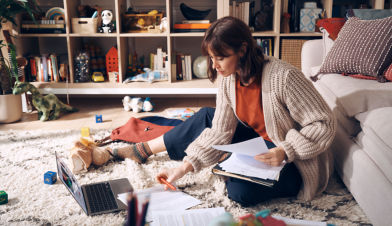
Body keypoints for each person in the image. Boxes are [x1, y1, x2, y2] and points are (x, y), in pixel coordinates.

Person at [111, 16, 336, 206]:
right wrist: (184, 168)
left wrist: (285, 150)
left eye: (220, 58)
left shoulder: (284, 77)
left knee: (240, 193)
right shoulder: (229, 80)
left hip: (292, 158)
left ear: (243, 50)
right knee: (207, 117)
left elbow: (324, 123)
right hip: (259, 143)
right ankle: (146, 150)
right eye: (211, 58)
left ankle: (230, 159)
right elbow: (220, 131)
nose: (215, 65)